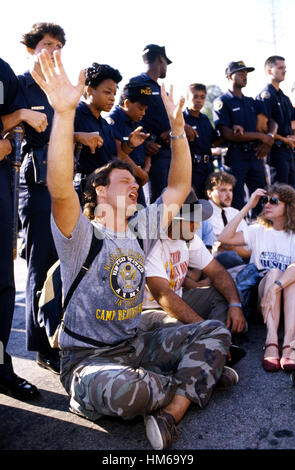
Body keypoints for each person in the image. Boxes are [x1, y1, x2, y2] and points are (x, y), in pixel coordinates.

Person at [32, 49, 232, 450]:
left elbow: (177, 188)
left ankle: (172, 410)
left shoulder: (141, 230)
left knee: (215, 330)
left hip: (136, 345)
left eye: (135, 182)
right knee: (130, 393)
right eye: (125, 180)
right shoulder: (81, 234)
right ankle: (198, 376)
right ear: (100, 190)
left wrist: (177, 128)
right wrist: (65, 112)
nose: (135, 184)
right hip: (87, 360)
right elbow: (58, 188)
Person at [15, 22, 68, 375]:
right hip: (34, 186)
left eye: (59, 46)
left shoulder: (60, 88)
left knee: (63, 264)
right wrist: (21, 117)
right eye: (47, 44)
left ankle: (62, 335)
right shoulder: (18, 85)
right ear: (32, 48)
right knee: (40, 265)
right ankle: (41, 346)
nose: (53, 51)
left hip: (65, 185)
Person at [141, 189, 246, 337]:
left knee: (229, 295)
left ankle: (219, 340)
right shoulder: (151, 242)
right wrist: (204, 328)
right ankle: (212, 341)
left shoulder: (188, 237)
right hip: (152, 310)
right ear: (173, 220)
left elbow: (218, 272)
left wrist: (235, 304)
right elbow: (163, 295)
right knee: (180, 331)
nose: (197, 226)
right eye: (191, 221)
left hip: (179, 299)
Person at [218, 184, 295, 372]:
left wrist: (276, 287)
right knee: (274, 273)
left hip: (287, 295)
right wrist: (248, 206)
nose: (267, 204)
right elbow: (224, 237)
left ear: (288, 206)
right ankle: (271, 341)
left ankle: (288, 342)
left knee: (290, 277)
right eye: (265, 200)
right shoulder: (258, 230)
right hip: (262, 298)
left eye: (274, 201)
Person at [0, 57, 39, 400]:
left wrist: (16, 122)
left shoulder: (2, 70)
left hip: (1, 185)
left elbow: (14, 133)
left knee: (1, 283)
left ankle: (0, 368)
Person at [74, 64, 149, 202]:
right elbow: (54, 141)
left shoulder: (105, 123)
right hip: (82, 193)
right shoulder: (75, 114)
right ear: (90, 90)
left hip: (105, 194)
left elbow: (115, 156)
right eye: (107, 92)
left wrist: (130, 144)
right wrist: (77, 136)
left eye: (114, 94)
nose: (112, 98)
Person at [213, 60, 278, 215]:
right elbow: (227, 134)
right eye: (240, 72)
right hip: (236, 156)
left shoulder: (251, 101)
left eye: (246, 73)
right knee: (235, 199)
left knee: (261, 196)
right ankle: (235, 233)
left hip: (255, 154)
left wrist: (268, 141)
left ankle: (261, 229)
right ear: (229, 76)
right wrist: (262, 136)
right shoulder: (222, 101)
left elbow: (272, 122)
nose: (244, 76)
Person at [129, 44, 173, 202]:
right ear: (161, 59)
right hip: (149, 154)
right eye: (166, 63)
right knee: (155, 202)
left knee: (169, 201)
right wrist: (144, 143)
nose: (166, 67)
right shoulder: (137, 84)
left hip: (167, 152)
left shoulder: (162, 90)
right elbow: (127, 115)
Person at [107, 82, 152, 206]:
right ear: (127, 103)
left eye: (145, 110)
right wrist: (141, 173)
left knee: (139, 219)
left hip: (137, 178)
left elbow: (145, 148)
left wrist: (146, 168)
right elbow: (119, 154)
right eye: (140, 108)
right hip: (122, 182)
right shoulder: (114, 119)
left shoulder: (136, 120)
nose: (143, 113)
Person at [256, 55, 295, 186]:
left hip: (288, 150)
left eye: (285, 68)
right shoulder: (266, 95)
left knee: (291, 193)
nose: (284, 71)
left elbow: (291, 123)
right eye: (280, 68)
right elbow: (262, 127)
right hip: (275, 150)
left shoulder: (284, 97)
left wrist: (292, 138)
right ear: (269, 71)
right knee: (279, 192)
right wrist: (285, 140)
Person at [205, 171, 251, 266]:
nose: (228, 195)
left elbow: (248, 241)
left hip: (240, 260)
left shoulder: (234, 212)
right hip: (215, 263)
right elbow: (222, 246)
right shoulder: (204, 213)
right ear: (209, 193)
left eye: (230, 190)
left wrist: (230, 245)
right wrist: (232, 244)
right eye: (223, 190)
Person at [183, 83, 221, 199]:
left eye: (202, 97)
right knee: (190, 207)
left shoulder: (205, 119)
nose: (199, 100)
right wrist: (182, 127)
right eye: (195, 97)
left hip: (207, 168)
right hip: (189, 169)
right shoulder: (181, 119)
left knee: (207, 205)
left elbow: (215, 141)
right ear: (187, 98)